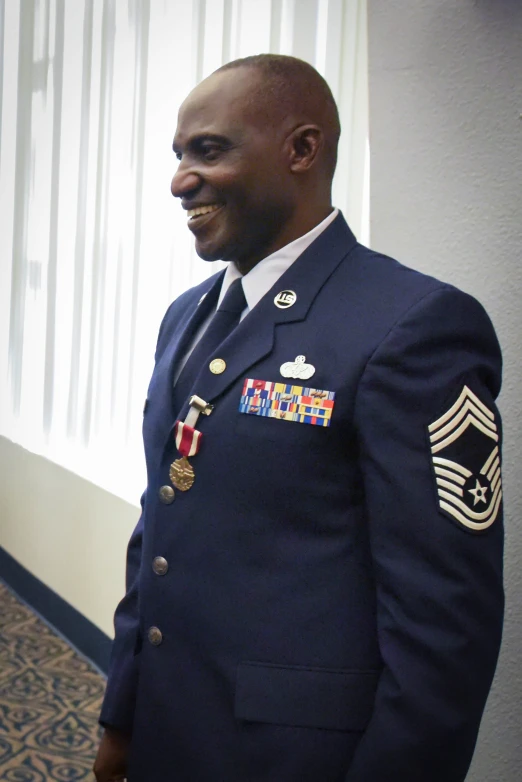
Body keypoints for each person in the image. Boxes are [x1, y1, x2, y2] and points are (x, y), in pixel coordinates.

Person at [94, 54, 504, 782]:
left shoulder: (410, 325)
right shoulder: (187, 317)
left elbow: (444, 624)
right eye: (179, 154)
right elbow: (158, 525)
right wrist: (122, 713)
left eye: (208, 150)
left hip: (290, 757)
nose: (180, 179)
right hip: (170, 725)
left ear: (302, 149)